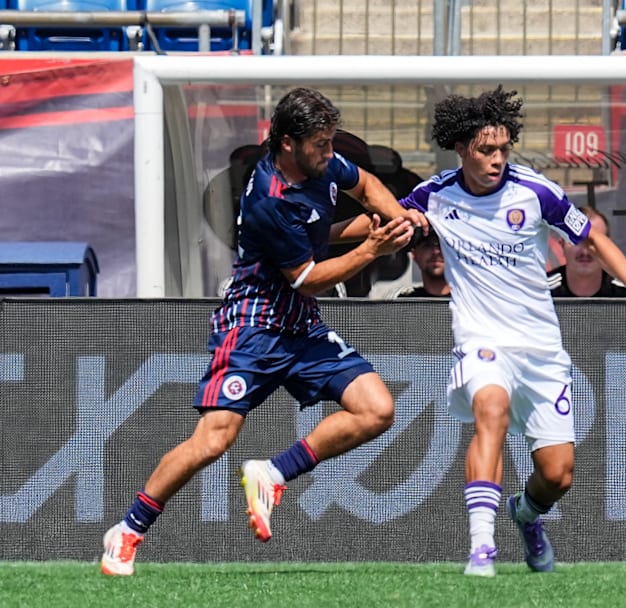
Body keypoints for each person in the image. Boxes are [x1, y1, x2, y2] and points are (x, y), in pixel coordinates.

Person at [100, 87, 427, 576]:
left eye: (330, 140)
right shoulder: (269, 200)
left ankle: (272, 473)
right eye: (320, 142)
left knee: (378, 409)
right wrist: (372, 251)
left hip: (300, 325)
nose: (329, 151)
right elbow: (308, 278)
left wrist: (401, 220)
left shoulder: (321, 162)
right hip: (253, 327)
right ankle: (127, 531)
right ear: (289, 143)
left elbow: (363, 185)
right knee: (213, 440)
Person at [398, 86, 626, 577]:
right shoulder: (435, 195)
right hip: (483, 342)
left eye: (504, 148)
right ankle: (482, 548)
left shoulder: (535, 191)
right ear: (461, 148)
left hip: (541, 351)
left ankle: (525, 516)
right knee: (491, 410)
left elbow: (593, 237)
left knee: (557, 475)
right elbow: (386, 220)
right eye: (486, 150)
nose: (498, 159)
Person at [547, 206, 626, 298]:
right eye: (577, 241)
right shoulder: (540, 291)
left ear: (608, 247)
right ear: (562, 244)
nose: (585, 251)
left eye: (594, 242)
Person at [393, 231, 451, 298]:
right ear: (414, 254)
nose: (436, 251)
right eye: (427, 245)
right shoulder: (403, 304)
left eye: (443, 245)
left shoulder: (465, 302)